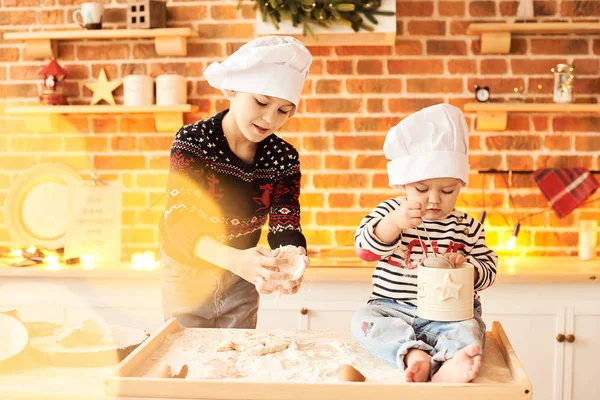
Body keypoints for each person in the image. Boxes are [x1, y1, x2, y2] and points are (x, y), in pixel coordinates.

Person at [158, 36, 312, 329]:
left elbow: (285, 223)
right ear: (231, 89)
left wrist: (289, 262)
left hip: (242, 280)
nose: (270, 118)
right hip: (187, 276)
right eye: (262, 102)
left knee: (236, 359)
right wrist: (239, 261)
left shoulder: (284, 156)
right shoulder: (193, 141)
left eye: (283, 110)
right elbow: (180, 222)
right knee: (189, 360)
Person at [352, 104, 498, 383]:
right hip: (392, 308)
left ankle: (451, 362)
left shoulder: (466, 226)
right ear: (402, 185)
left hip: (449, 315)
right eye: (421, 189)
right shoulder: (390, 212)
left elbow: (489, 269)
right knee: (363, 320)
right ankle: (412, 354)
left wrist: (469, 268)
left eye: (447, 191)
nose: (434, 199)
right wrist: (394, 224)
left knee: (468, 328)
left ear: (460, 186)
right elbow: (365, 249)